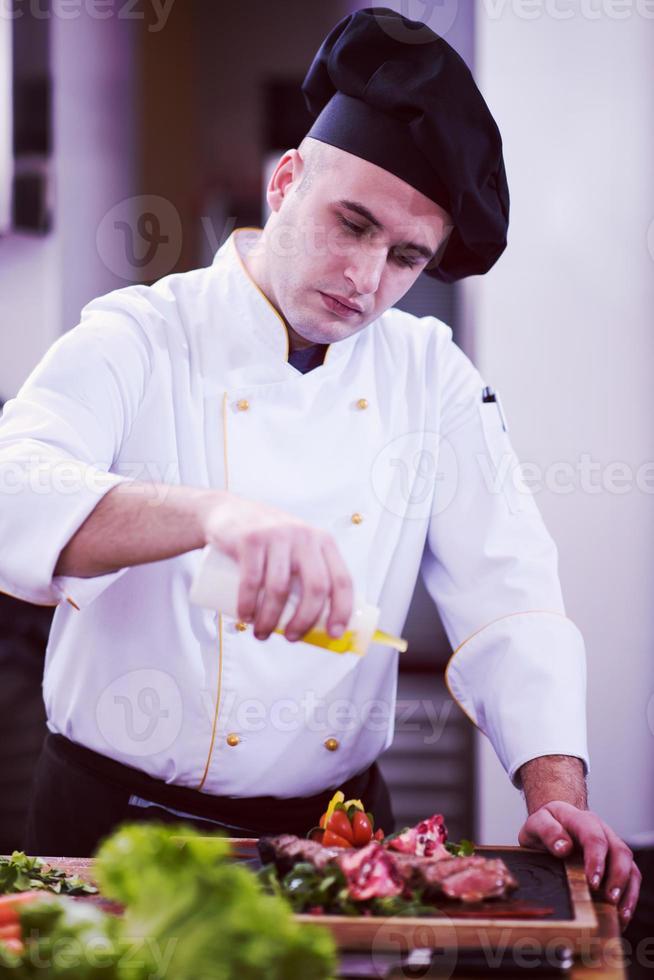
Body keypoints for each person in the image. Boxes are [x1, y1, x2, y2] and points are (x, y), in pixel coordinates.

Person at [0, 7, 639, 924]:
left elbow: (512, 597)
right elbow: (14, 490)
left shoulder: (432, 378)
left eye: (407, 256)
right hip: (106, 832)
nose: (367, 278)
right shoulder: (138, 335)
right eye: (353, 224)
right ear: (287, 179)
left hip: (334, 840)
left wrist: (553, 793)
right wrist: (215, 516)